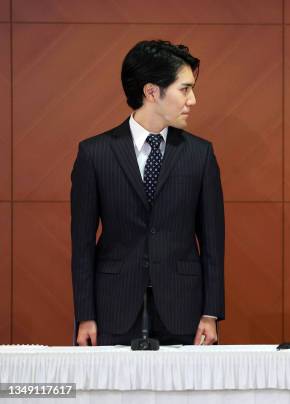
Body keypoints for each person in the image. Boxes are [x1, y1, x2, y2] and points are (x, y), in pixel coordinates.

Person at [71, 40, 224, 346]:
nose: (192, 99)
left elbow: (213, 242)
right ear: (152, 91)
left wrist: (211, 312)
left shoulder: (200, 154)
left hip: (184, 309)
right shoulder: (94, 153)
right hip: (112, 307)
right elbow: (83, 245)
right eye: (184, 89)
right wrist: (85, 315)